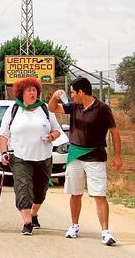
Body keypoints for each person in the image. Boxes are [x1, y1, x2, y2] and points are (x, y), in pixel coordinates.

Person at [48, 77, 123, 246]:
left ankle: (105, 232)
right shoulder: (74, 106)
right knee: (75, 193)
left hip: (95, 156)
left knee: (99, 194)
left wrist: (118, 156)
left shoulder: (103, 108)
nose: (72, 95)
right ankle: (74, 226)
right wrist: (55, 96)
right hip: (75, 155)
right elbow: (52, 108)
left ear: (81, 92)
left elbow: (114, 132)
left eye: (73, 92)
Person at [0, 77, 61, 235]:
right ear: (22, 93)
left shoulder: (45, 108)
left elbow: (57, 130)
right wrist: (4, 152)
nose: (32, 93)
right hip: (20, 156)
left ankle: (34, 215)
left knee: (40, 190)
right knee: (23, 188)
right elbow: (3, 135)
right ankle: (27, 222)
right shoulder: (14, 109)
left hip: (44, 156)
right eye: (29, 90)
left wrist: (52, 137)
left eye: (34, 90)